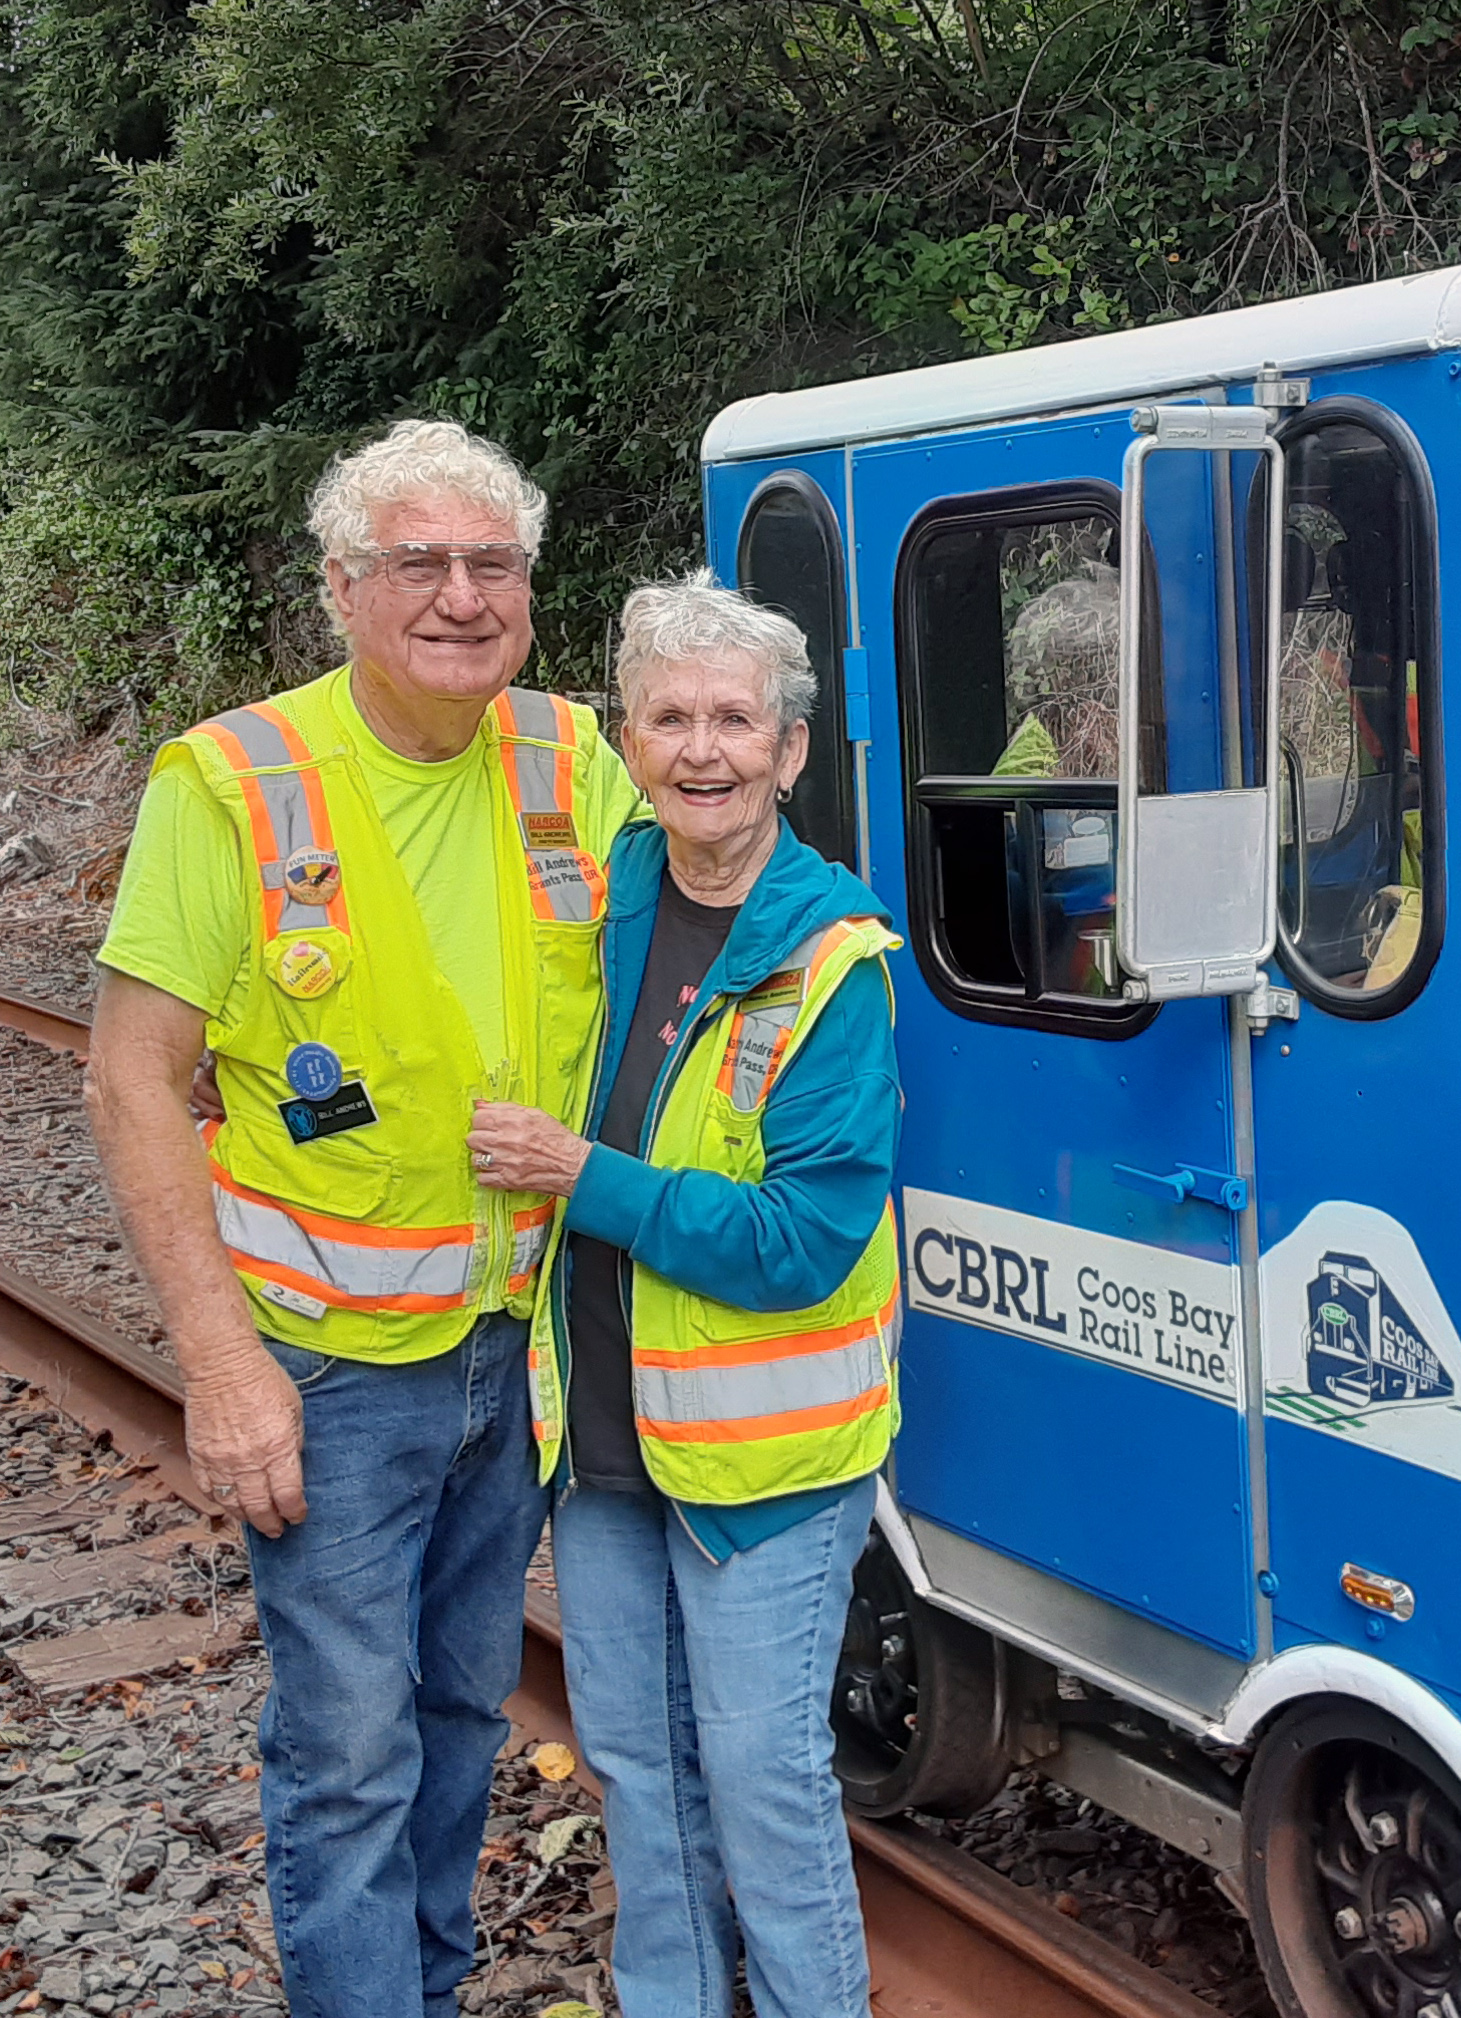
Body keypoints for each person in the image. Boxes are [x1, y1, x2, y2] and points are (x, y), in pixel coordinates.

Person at [83, 419, 639, 2018]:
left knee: (464, 1710)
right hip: (329, 1371)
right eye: (419, 563)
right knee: (344, 1748)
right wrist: (220, 1363)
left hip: (513, 1347)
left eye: (493, 563)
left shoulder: (568, 756)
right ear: (344, 590)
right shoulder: (232, 781)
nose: (461, 597)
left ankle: (426, 1990)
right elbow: (133, 1080)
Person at [466, 573, 903, 2018]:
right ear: (630, 742)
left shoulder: (831, 956)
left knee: (763, 1776)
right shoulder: (613, 889)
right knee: (637, 1762)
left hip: (764, 1461)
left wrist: (582, 1175)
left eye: (734, 719)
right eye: (669, 718)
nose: (701, 749)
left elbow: (802, 1240)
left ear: (788, 750)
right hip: (602, 1434)